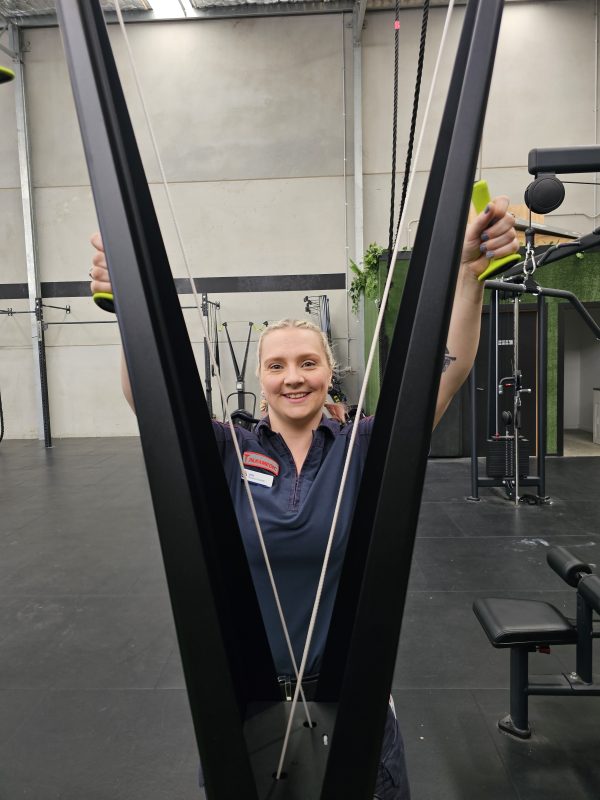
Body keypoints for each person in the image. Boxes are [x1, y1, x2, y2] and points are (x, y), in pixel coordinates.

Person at [90, 196, 519, 799]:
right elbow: (150, 401)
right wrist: (124, 305)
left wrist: (469, 275)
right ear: (261, 379)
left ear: (329, 371)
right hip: (247, 692)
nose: (293, 376)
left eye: (308, 362)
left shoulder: (365, 444)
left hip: (351, 688)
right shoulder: (228, 449)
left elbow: (444, 372)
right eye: (277, 365)